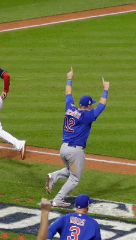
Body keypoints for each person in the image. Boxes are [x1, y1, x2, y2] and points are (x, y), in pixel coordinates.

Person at [46, 68, 108, 208]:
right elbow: (102, 106)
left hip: (63, 148)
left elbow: (68, 94)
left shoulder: (70, 108)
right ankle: (58, 199)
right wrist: (106, 89)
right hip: (75, 151)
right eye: (91, 103)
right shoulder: (87, 116)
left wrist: (69, 78)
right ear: (88, 105)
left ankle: (53, 176)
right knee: (75, 178)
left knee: (71, 171)